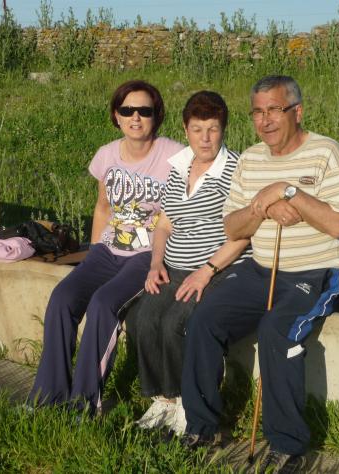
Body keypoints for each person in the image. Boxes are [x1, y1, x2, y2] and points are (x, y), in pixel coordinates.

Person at [178, 75, 339, 472]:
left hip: (316, 271)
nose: (265, 120)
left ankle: (288, 444)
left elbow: (337, 225)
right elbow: (232, 228)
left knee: (278, 330)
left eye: (275, 109)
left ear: (297, 111)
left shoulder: (326, 152)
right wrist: (262, 206)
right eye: (257, 112)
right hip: (262, 269)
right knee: (204, 318)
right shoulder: (250, 159)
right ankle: (202, 427)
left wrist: (288, 190)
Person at [27, 80, 184, 416]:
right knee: (62, 298)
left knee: (102, 303)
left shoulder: (174, 155)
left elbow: (182, 210)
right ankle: (48, 396)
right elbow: (102, 207)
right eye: (127, 110)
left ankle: (83, 403)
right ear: (116, 115)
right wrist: (94, 251)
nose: (136, 117)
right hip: (106, 250)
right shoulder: (106, 155)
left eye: (144, 111)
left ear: (157, 115)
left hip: (147, 254)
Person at [126, 91, 250, 434]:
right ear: (186, 130)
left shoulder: (236, 169)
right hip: (173, 266)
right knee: (142, 319)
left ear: (224, 129)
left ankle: (186, 400)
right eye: (197, 129)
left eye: (213, 129)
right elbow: (164, 223)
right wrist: (155, 263)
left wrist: (206, 272)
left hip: (216, 268)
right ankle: (163, 399)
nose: (205, 138)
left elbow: (244, 233)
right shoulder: (179, 166)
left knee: (175, 323)